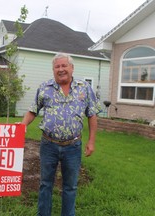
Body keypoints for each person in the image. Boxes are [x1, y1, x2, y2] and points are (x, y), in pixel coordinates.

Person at [21, 53, 101, 216]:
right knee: (45, 184)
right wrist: (22, 125)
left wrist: (91, 141)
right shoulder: (45, 87)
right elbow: (32, 110)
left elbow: (92, 115)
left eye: (64, 66)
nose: (61, 69)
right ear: (53, 70)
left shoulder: (84, 87)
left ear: (72, 68)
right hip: (48, 145)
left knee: (70, 186)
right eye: (57, 66)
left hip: (73, 146)